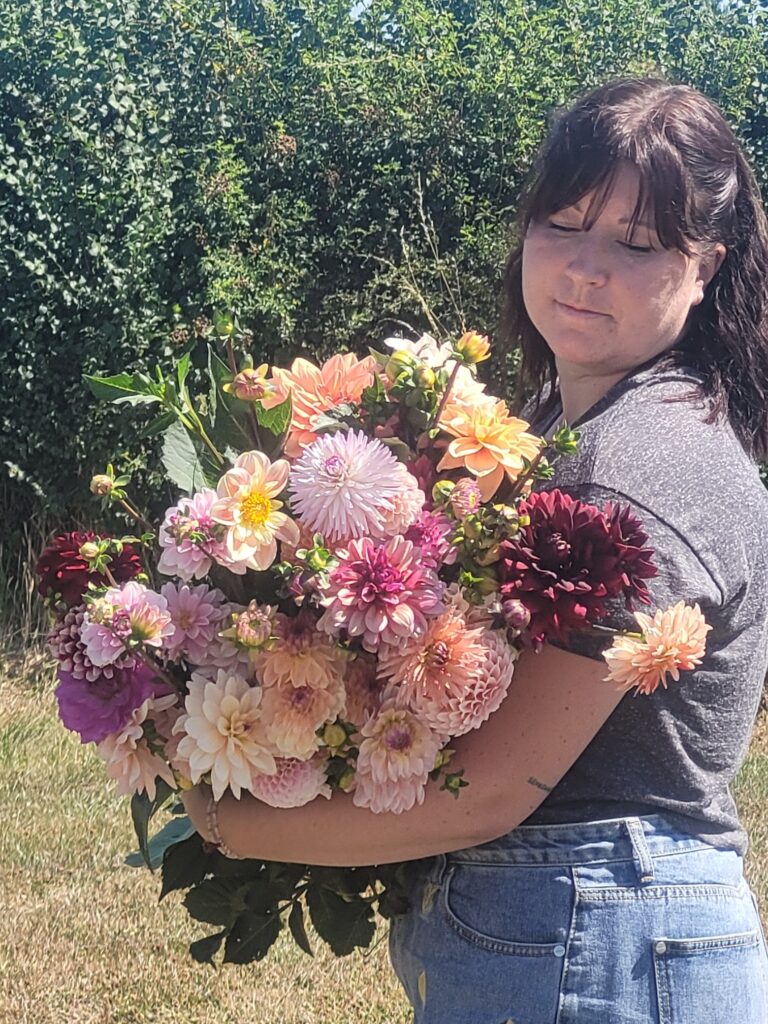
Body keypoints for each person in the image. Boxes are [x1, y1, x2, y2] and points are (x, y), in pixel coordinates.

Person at [183, 78, 768, 1022]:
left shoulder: (637, 466)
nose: (584, 269)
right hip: (578, 928)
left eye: (636, 243)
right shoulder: (571, 430)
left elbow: (494, 789)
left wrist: (224, 818)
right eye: (562, 223)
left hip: (592, 929)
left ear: (707, 266)